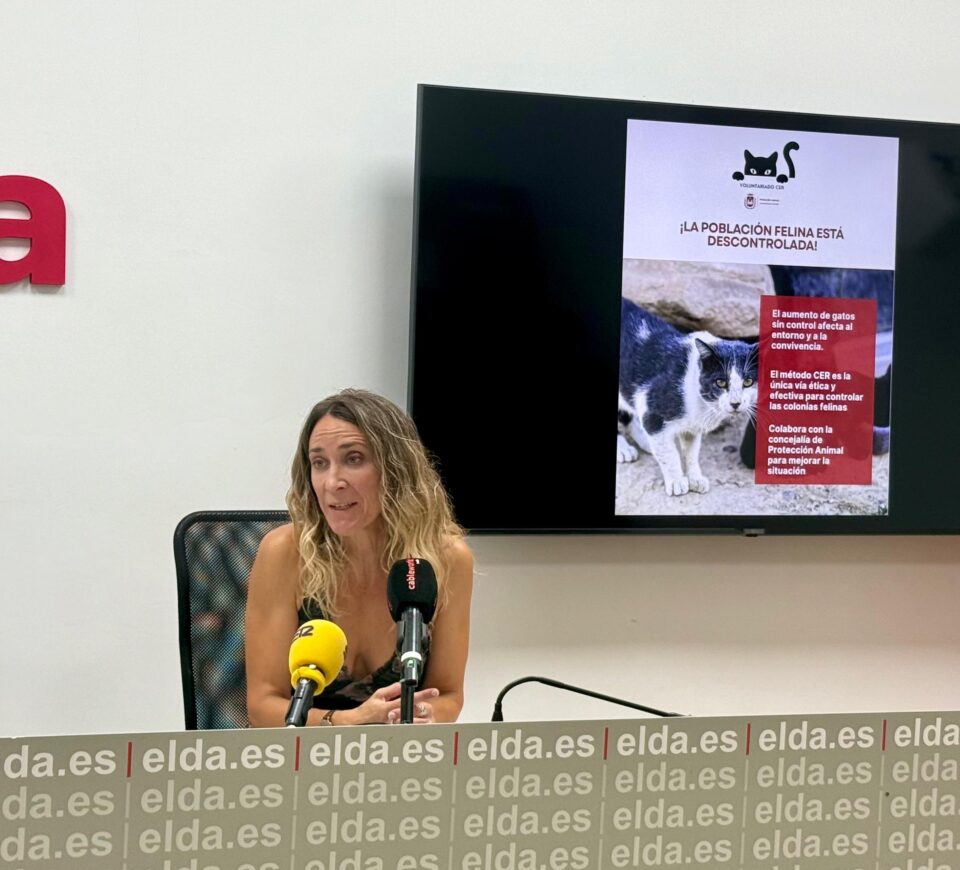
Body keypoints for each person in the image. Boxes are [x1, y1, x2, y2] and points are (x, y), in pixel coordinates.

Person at [245, 388, 473, 726]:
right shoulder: (285, 553)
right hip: (301, 751)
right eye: (319, 463)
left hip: (398, 752)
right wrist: (347, 722)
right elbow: (263, 706)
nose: (332, 482)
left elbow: (448, 694)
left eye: (353, 459)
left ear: (395, 469)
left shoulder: (446, 560)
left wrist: (418, 715)